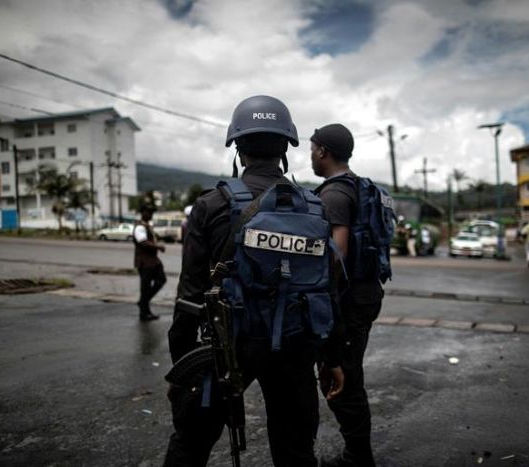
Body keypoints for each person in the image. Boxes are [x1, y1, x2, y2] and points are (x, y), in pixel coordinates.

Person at [164, 95, 343, 467]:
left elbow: (190, 295)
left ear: (238, 148)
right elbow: (328, 289)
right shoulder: (314, 208)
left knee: (191, 445)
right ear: (285, 148)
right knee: (295, 452)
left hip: (228, 346)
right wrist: (331, 357)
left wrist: (183, 364)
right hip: (296, 346)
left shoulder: (211, 205)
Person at [311, 123, 384, 467]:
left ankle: (358, 458)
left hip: (348, 300)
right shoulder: (359, 186)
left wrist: (322, 302)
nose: (310, 155)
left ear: (323, 151)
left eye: (312, 148)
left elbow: (336, 256)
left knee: (343, 380)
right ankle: (358, 454)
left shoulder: (334, 194)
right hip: (365, 292)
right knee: (346, 375)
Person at [133, 203, 166, 321]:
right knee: (145, 287)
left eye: (152, 212)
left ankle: (143, 302)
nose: (151, 214)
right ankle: (144, 312)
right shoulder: (140, 227)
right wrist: (158, 247)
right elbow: (143, 242)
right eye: (149, 212)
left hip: (153, 261)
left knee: (161, 279)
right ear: (143, 213)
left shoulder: (147, 226)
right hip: (145, 262)